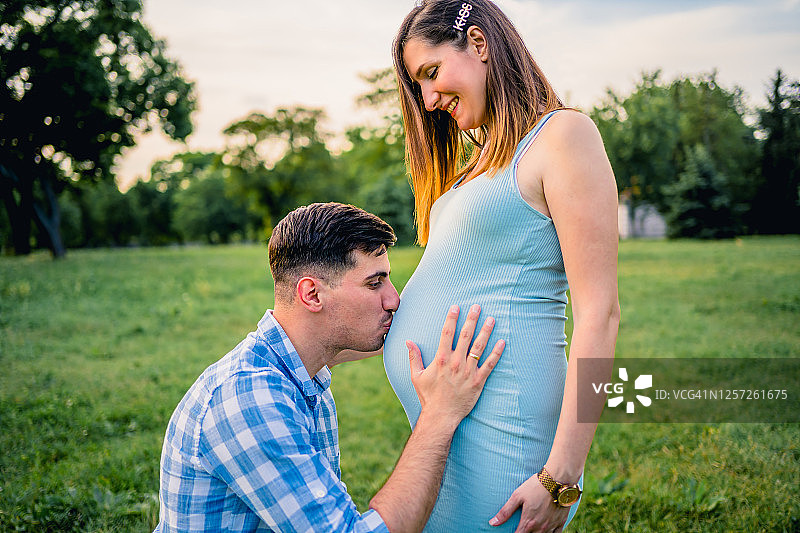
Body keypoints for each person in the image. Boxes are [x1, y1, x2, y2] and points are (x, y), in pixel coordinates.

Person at [383, 1, 620, 532]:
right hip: (448, 433)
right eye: (418, 86)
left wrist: (562, 475)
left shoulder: (563, 136)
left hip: (504, 435)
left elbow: (599, 315)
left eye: (431, 73)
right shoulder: (488, 158)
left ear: (480, 44)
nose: (427, 99)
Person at [154, 202, 505, 533]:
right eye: (374, 283)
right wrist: (439, 415)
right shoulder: (250, 398)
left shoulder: (299, 365)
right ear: (312, 295)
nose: (394, 299)